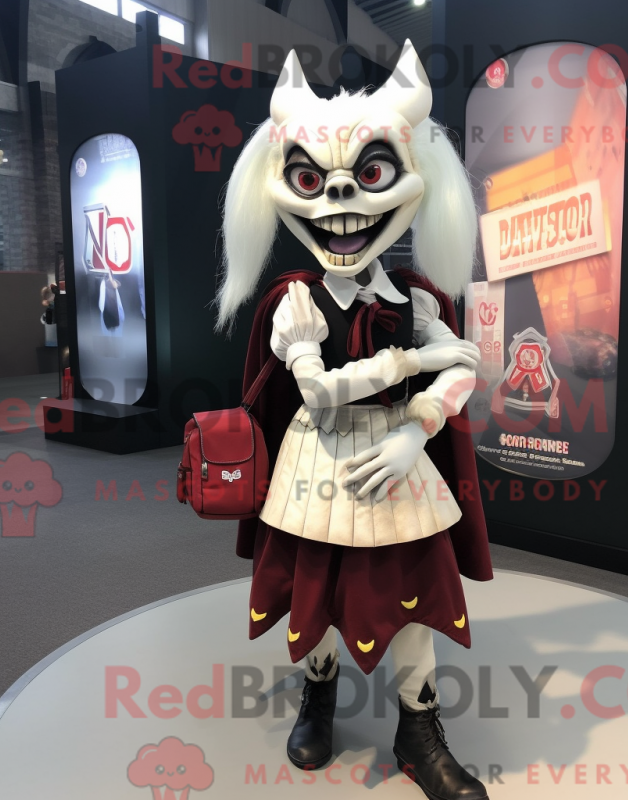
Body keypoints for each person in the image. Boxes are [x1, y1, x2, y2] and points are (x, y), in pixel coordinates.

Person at [217, 41, 493, 800]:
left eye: (370, 176)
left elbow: (466, 364)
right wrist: (413, 364)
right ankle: (319, 696)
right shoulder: (294, 304)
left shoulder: (415, 296)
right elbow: (317, 394)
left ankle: (419, 730)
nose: (340, 203)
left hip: (399, 462)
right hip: (318, 461)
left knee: (413, 597)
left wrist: (417, 431)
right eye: (310, 180)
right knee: (319, 590)